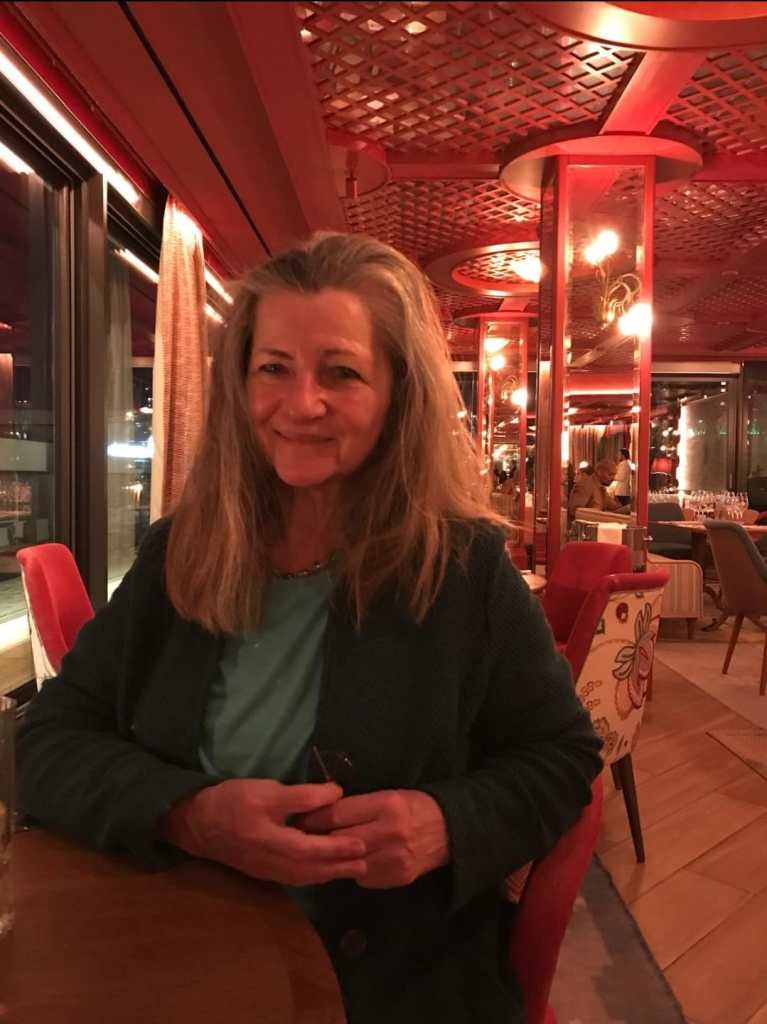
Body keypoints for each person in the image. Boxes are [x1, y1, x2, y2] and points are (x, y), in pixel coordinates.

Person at [17, 232, 602, 1024]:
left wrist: (445, 825)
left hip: (391, 984)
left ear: (397, 395)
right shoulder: (177, 556)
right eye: (273, 369)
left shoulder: (463, 570)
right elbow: (46, 740)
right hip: (170, 952)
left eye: (341, 373)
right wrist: (188, 814)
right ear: (239, 385)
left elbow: (563, 758)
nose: (300, 404)